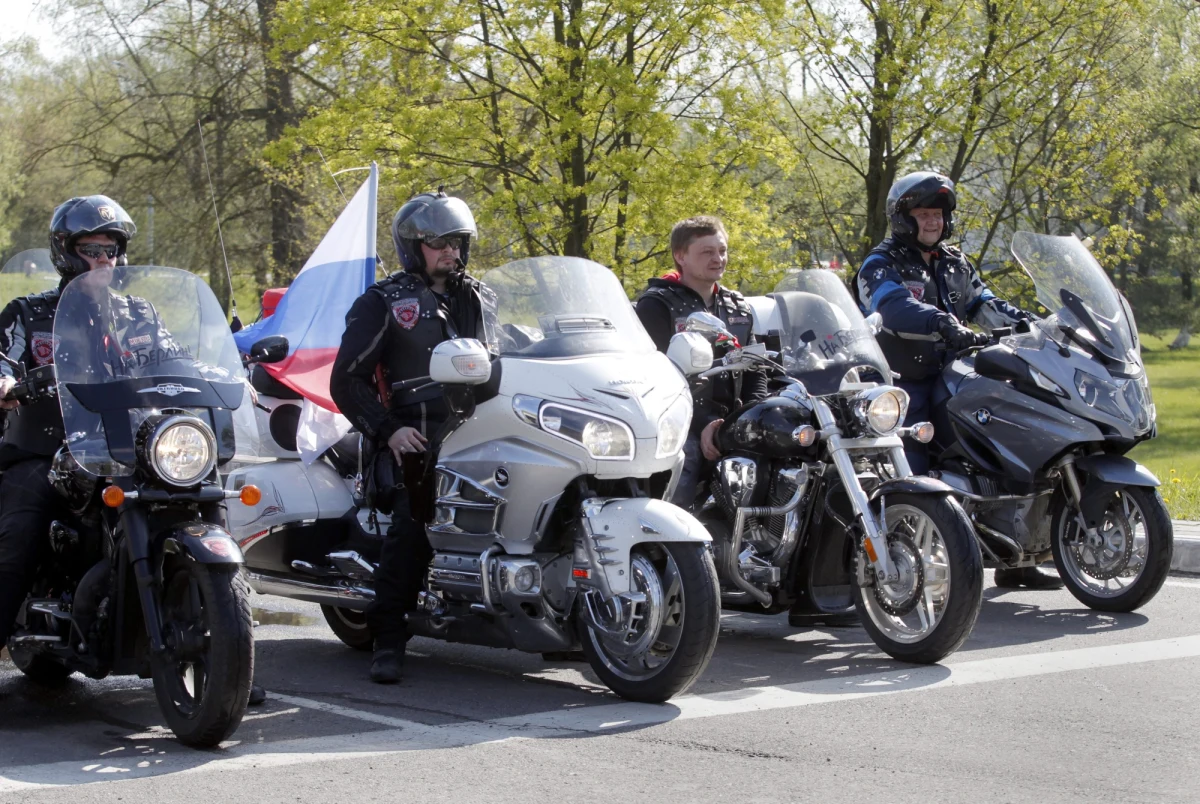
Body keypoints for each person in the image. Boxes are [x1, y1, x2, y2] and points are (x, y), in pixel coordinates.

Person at [0, 196, 271, 699]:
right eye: (91, 249)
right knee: (19, 535)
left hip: (132, 445)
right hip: (48, 447)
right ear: (67, 252)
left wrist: (230, 376)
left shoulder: (137, 313)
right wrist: (5, 381)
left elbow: (175, 360)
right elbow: (4, 358)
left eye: (110, 250)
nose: (102, 260)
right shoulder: (31, 313)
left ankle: (229, 653)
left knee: (201, 498)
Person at [852, 171, 1061, 590]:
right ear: (903, 217)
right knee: (912, 463)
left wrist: (1038, 325)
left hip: (956, 373)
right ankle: (902, 560)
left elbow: (983, 302)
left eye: (938, 215)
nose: (932, 222)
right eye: (924, 214)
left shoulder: (955, 262)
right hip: (904, 381)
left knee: (1011, 436)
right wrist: (943, 323)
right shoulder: (882, 262)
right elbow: (892, 306)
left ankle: (1016, 555)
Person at [331, 189, 494, 684]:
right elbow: (346, 381)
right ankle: (388, 637)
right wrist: (389, 429)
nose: (451, 251)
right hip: (415, 438)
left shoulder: (483, 298)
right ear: (413, 246)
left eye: (458, 241)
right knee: (414, 521)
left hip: (483, 428)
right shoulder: (385, 302)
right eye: (438, 242)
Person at [634, 216, 768, 513]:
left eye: (722, 250)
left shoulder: (738, 308)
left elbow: (756, 367)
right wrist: (702, 423)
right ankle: (666, 547)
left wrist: (752, 414)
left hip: (732, 417)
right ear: (680, 256)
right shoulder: (657, 304)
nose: (718, 258)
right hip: (676, 421)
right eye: (707, 252)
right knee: (686, 457)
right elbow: (656, 378)